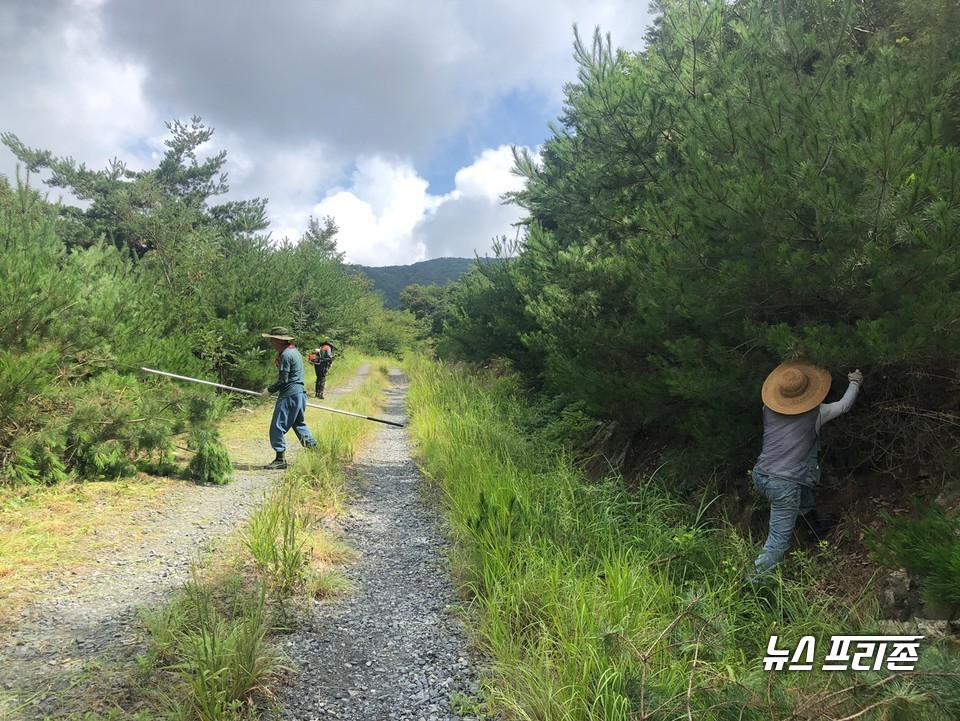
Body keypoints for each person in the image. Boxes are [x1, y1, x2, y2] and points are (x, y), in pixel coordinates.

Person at [751, 360, 863, 576]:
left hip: (761, 474)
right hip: (783, 483)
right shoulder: (817, 413)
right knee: (777, 542)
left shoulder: (768, 410)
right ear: (807, 393)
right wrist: (855, 382)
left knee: (802, 490)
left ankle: (814, 529)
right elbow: (843, 405)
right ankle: (754, 584)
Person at [260, 326, 317, 469]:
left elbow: (283, 380)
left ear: (280, 341)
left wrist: (269, 390)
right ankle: (316, 451)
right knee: (298, 424)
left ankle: (280, 460)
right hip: (299, 395)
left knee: (277, 426)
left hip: (289, 395)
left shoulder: (286, 355)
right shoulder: (294, 352)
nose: (271, 343)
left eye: (273, 340)